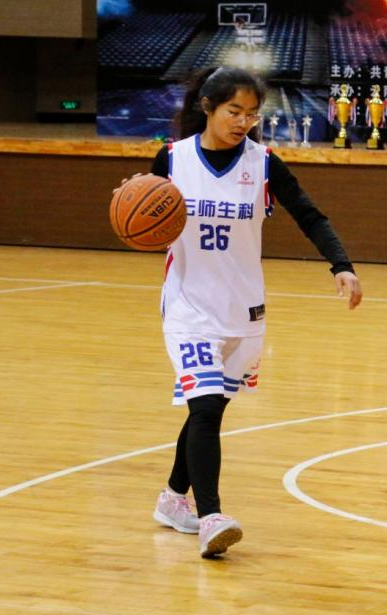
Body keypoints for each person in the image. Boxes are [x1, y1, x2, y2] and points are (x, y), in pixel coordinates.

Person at [126, 66, 362, 559]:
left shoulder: (264, 164)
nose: (243, 122)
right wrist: (132, 201)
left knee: (208, 409)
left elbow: (309, 215)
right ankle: (212, 517)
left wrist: (341, 264)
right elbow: (143, 206)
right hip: (188, 306)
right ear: (208, 107)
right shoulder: (173, 158)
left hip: (244, 311)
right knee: (206, 407)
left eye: (252, 114)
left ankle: (172, 499)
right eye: (234, 111)